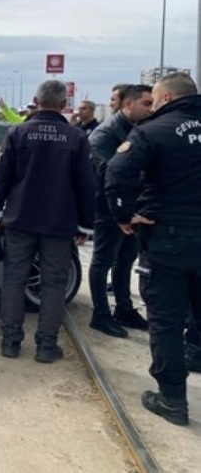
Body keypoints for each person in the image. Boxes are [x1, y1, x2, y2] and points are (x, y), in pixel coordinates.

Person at [105, 72, 201, 426]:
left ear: (163, 99)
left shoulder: (150, 132)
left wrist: (124, 214)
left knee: (165, 320)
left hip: (168, 239)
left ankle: (172, 399)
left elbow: (117, 174)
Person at [0, 80, 95, 363]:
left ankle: (10, 343)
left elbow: (1, 176)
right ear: (63, 106)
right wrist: (86, 225)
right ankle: (47, 347)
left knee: (13, 280)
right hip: (59, 225)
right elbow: (86, 183)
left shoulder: (17, 132)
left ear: (36, 100)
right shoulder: (76, 138)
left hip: (20, 220)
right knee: (54, 284)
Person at [87, 84, 154, 338]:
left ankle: (124, 309)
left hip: (133, 207)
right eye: (146, 104)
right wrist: (122, 213)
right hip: (108, 208)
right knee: (102, 261)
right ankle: (100, 314)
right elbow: (109, 175)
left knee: (125, 260)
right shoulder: (105, 134)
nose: (151, 108)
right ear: (128, 105)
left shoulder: (138, 130)